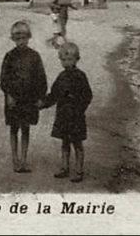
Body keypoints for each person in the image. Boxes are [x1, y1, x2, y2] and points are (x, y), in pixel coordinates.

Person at [39, 41, 93, 183]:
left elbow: (87, 95)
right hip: (63, 115)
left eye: (70, 59)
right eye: (63, 60)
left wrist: (80, 109)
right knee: (65, 143)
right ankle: (64, 167)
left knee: (77, 144)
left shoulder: (81, 76)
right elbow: (54, 95)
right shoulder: (61, 77)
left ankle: (79, 171)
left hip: (76, 116)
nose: (66, 62)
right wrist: (43, 103)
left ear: (76, 59)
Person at [0, 20, 47, 173]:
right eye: (17, 38)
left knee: (26, 128)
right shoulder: (9, 56)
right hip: (13, 99)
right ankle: (15, 159)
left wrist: (41, 97)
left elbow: (41, 78)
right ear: (13, 39)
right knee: (14, 128)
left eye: (24, 38)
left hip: (29, 99)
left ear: (29, 38)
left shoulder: (34, 56)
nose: (21, 42)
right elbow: (4, 78)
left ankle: (24, 159)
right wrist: (8, 94)